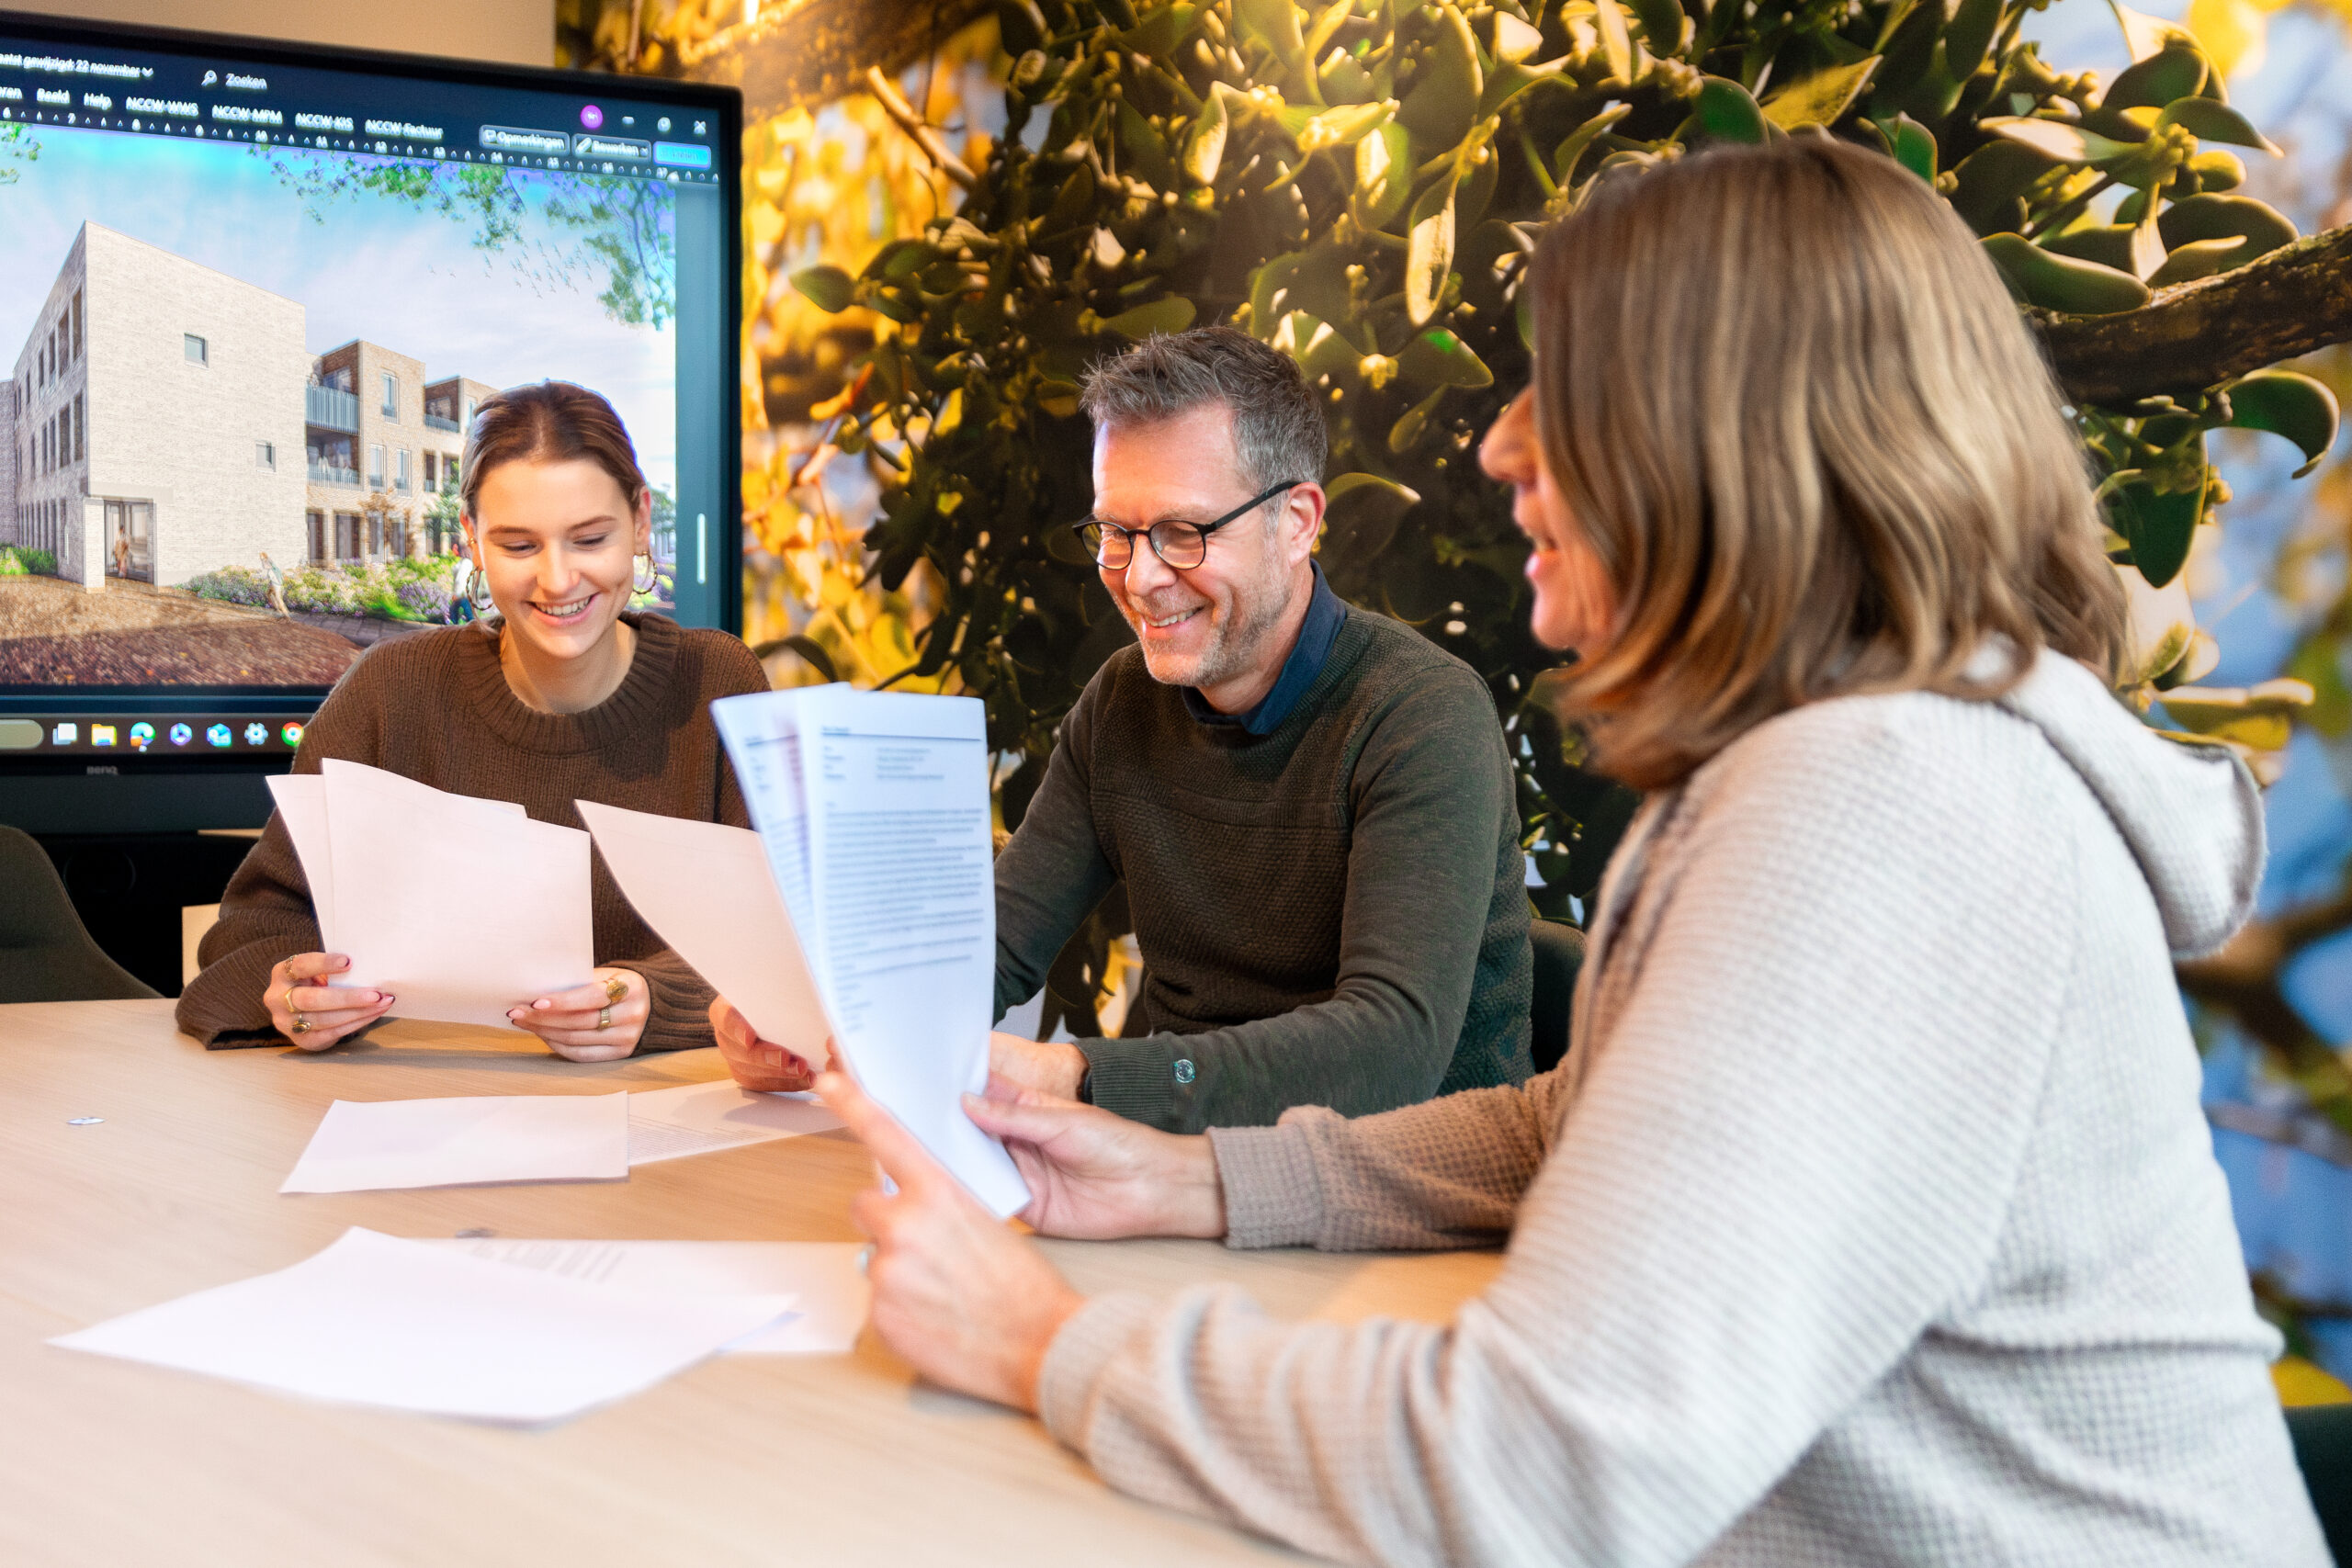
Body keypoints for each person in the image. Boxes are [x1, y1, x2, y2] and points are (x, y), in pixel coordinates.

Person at [807, 139, 2329, 1566]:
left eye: (1566, 391)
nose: (1498, 442)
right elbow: (1565, 1126)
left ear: (1730, 440)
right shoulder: (1835, 761)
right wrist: (1189, 1182)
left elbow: (1540, 1466)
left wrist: (1043, 1341)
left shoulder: (1883, 798)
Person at [718, 326, 1533, 1133]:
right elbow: (990, 948)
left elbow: (1388, 1050)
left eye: (1184, 533)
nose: (1140, 577)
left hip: (1413, 1200)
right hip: (1181, 1180)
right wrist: (806, 1011)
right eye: (1115, 532)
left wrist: (1078, 1075)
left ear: (1297, 522)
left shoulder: (1420, 714)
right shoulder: (1122, 706)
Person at [177, 381, 768, 1059]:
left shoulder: (719, 685)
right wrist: (291, 992)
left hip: (675, 1124)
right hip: (421, 1108)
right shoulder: (388, 692)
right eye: (518, 546)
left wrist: (653, 1000)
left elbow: (786, 946)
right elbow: (256, 933)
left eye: (590, 538)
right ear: (471, 541)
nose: (557, 578)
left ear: (638, 522)